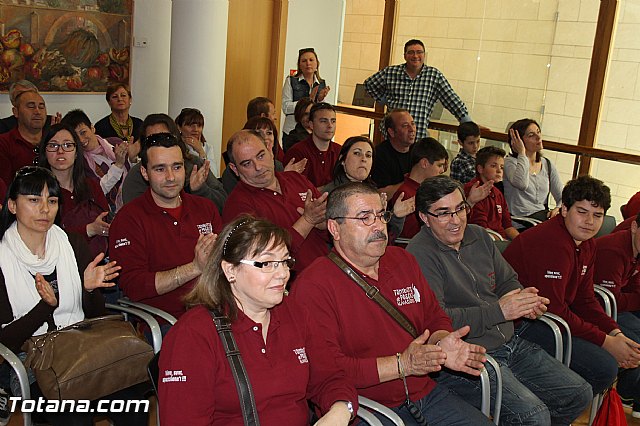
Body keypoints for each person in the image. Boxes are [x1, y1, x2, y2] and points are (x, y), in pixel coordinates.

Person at [292, 182, 492, 425]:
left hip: (423, 392)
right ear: (335, 228)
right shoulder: (313, 286)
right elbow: (327, 370)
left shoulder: (403, 260)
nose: (378, 226)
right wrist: (401, 365)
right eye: (364, 218)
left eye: (381, 215)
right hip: (364, 405)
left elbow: (434, 316)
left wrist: (440, 342)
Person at [406, 175, 592, 425]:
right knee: (534, 416)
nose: (456, 220)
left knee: (578, 394)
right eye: (443, 213)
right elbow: (438, 319)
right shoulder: (419, 255)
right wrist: (500, 311)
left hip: (508, 340)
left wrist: (523, 300)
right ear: (424, 217)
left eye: (460, 208)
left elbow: (508, 280)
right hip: (467, 355)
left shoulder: (479, 236)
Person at [159, 215, 357, 425]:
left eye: (284, 261)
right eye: (267, 263)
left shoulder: (294, 313)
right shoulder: (194, 334)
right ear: (230, 270)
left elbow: (331, 378)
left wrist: (341, 410)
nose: (283, 273)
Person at [0, 166, 147, 426]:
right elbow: (6, 341)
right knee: (73, 413)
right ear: (12, 205)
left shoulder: (71, 244)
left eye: (52, 201)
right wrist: (44, 308)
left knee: (133, 400)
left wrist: (88, 289)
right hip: (31, 365)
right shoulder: (2, 259)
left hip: (81, 347)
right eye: (34, 200)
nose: (45, 209)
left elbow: (96, 318)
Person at [503, 176, 640, 403]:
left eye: (597, 215)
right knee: (604, 367)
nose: (590, 222)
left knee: (614, 355)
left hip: (553, 317)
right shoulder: (552, 243)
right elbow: (553, 308)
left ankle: (560, 401)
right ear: (564, 209)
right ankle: (556, 405)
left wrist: (615, 333)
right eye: (582, 212)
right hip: (522, 323)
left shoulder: (586, 244)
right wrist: (606, 342)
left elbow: (585, 299)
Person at [109, 132, 222, 324]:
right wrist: (194, 268)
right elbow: (134, 286)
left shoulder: (205, 208)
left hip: (215, 312)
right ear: (145, 173)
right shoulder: (129, 219)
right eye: (160, 169)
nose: (171, 177)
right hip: (166, 321)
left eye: (176, 167)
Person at [222, 130, 329, 272]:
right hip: (287, 284)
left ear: (270, 150)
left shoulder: (295, 178)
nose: (258, 167)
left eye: (261, 156)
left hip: (326, 268)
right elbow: (263, 259)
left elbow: (333, 226)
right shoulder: (237, 205)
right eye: (247, 164)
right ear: (235, 169)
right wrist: (307, 221)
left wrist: (324, 224)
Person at [365, 39, 473, 139]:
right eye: (411, 52)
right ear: (405, 56)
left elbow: (451, 100)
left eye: (419, 52)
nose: (415, 56)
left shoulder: (434, 76)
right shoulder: (391, 72)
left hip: (417, 136)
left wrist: (468, 123)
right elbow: (369, 84)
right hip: (393, 135)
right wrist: (384, 100)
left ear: (424, 55)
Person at [121, 114, 227, 213]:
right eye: (153, 140)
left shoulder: (195, 164)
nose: (160, 144)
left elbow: (224, 205)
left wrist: (200, 190)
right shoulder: (137, 175)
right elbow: (134, 215)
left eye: (166, 137)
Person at [37, 123, 110, 258]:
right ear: (44, 152)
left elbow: (106, 221)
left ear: (77, 153)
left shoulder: (91, 186)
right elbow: (41, 236)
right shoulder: (38, 191)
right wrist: (89, 230)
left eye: (67, 145)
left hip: (98, 262)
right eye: (53, 145)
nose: (60, 151)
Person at [323, 136, 415, 241]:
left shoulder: (373, 193)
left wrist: (396, 216)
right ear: (342, 160)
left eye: (368, 155)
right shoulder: (330, 193)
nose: (363, 159)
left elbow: (384, 238)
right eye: (357, 153)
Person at [595, 213, 640, 416]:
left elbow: (633, 287)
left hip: (616, 304)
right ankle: (628, 393)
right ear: (633, 228)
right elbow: (611, 301)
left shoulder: (635, 248)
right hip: (599, 308)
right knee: (636, 338)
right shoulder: (614, 250)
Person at [61, 109, 136, 213]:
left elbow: (133, 173)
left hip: (134, 198)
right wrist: (118, 165)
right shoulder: (80, 162)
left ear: (92, 128)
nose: (81, 140)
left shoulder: (115, 142)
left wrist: (132, 159)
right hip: (110, 210)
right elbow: (98, 192)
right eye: (75, 137)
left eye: (83, 132)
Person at [503, 119, 563, 222]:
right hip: (520, 220)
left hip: (541, 218)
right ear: (518, 141)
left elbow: (562, 197)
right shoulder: (510, 163)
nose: (538, 137)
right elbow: (521, 184)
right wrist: (522, 153)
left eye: (538, 132)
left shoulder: (547, 164)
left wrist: (558, 208)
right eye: (531, 135)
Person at [389, 137, 448, 240]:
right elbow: (406, 238)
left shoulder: (426, 190)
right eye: (439, 165)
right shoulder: (405, 194)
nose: (442, 170)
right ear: (424, 163)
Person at [464, 146, 519, 240]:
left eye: (502, 167)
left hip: (501, 240)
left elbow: (507, 226)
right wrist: (505, 244)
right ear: (480, 169)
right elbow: (481, 230)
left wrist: (520, 242)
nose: (499, 170)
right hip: (484, 242)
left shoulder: (497, 193)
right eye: (493, 166)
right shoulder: (473, 190)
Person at [284, 102, 342, 188]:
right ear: (311, 125)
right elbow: (296, 191)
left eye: (333, 121)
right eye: (323, 121)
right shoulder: (297, 152)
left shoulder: (340, 151)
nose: (330, 126)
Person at [0, 91, 48, 185]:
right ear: (16, 112)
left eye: (41, 106)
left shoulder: (53, 141)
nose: (37, 111)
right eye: (31, 106)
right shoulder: (4, 143)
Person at [282, 48, 330, 136]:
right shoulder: (291, 80)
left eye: (311, 60)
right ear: (299, 65)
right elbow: (285, 107)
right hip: (292, 131)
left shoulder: (321, 83)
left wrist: (320, 100)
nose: (308, 63)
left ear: (317, 64)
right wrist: (307, 101)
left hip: (313, 131)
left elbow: (321, 112)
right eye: (304, 61)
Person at [370, 109, 416, 191]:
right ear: (391, 132)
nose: (412, 129)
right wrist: (410, 181)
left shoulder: (418, 150)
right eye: (405, 126)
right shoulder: (380, 155)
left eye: (413, 124)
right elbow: (380, 193)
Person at [175, 107, 219, 177]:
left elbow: (214, 175)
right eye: (190, 125)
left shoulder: (207, 147)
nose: (195, 129)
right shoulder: (175, 147)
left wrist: (201, 151)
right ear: (179, 127)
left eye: (199, 126)